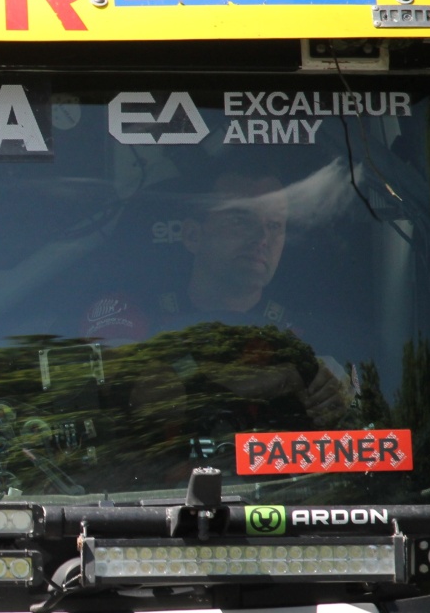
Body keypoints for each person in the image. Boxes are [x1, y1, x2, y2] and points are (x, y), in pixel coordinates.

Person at [82, 169, 351, 428]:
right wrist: (276, 377)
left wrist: (335, 397)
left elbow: (356, 403)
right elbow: (120, 392)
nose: (262, 238)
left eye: (274, 226)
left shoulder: (315, 335)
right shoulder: (128, 312)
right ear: (193, 235)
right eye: (240, 220)